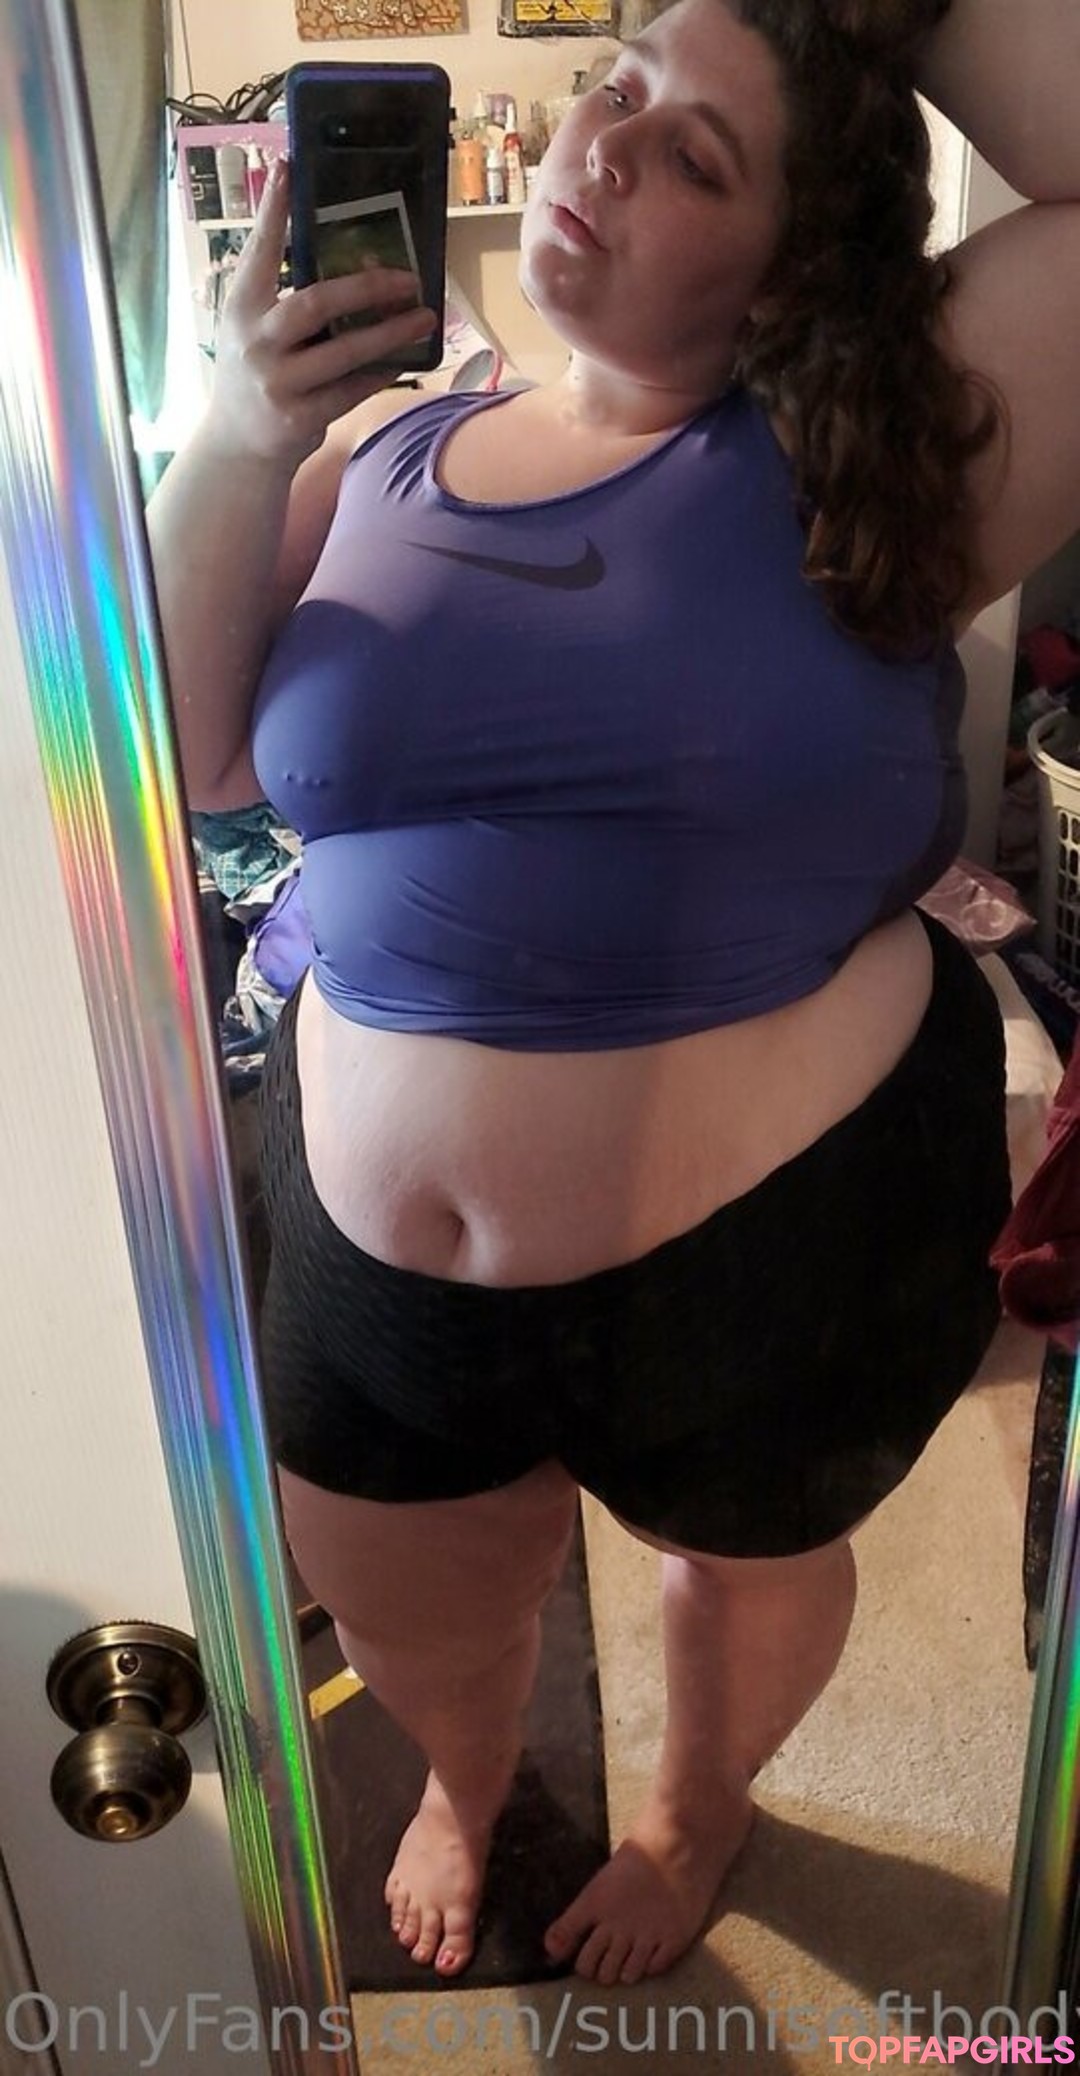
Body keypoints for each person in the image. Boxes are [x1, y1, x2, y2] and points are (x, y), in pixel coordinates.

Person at [148, 0, 1080, 1990]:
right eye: (619, 91)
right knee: (411, 1603)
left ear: (785, 272)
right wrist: (239, 429)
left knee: (742, 1574)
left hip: (768, 1261)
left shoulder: (878, 478)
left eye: (699, 156)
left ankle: (695, 1804)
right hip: (385, 1270)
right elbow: (188, 755)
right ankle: (466, 1781)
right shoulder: (379, 444)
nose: (609, 146)